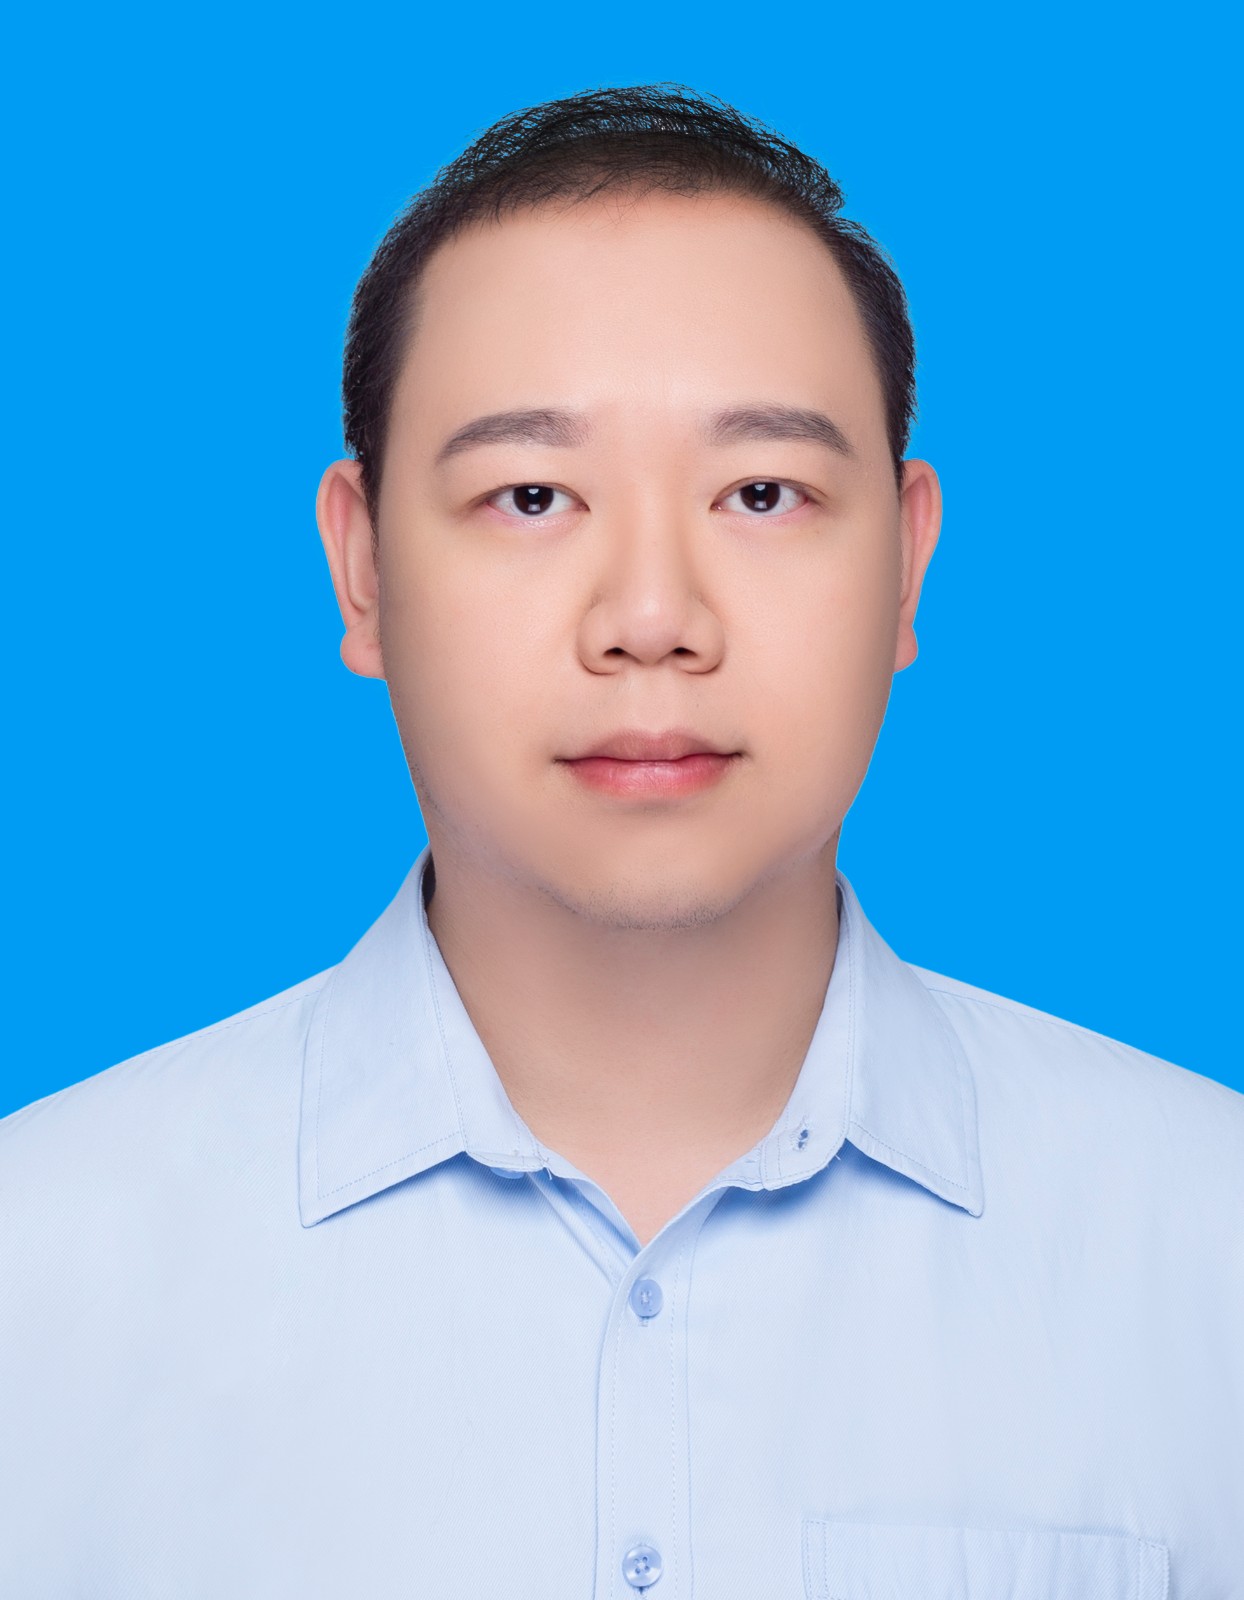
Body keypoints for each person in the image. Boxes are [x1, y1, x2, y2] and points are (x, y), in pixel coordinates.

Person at [1, 83, 1239, 1599]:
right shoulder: (37, 1272)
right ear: (363, 566)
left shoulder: (1208, 1251)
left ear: (908, 564)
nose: (652, 618)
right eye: (531, 496)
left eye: (762, 493)